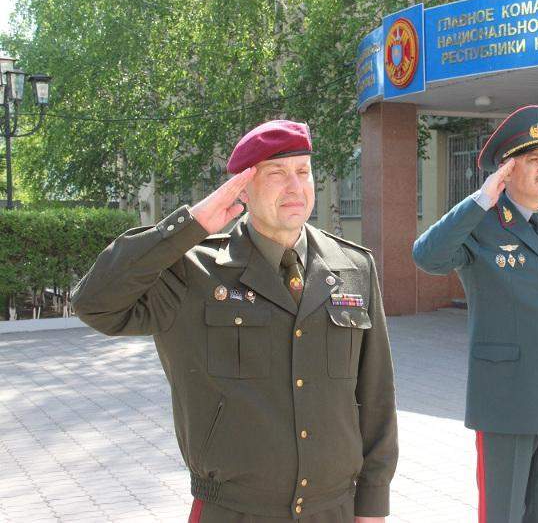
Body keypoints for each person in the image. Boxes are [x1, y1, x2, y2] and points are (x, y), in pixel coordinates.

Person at [72, 119, 398, 523]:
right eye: (277, 173)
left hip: (334, 510)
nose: (295, 187)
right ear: (243, 188)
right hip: (233, 510)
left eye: (303, 171)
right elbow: (94, 304)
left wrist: (373, 505)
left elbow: (377, 396)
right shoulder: (193, 271)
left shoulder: (353, 266)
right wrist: (189, 226)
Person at [412, 105, 538, 523]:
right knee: (503, 513)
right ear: (506, 171)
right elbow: (426, 256)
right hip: (506, 399)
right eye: (532, 159)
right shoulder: (480, 223)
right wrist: (481, 199)